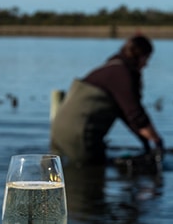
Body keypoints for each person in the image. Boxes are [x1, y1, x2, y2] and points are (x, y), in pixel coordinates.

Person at [50, 35, 164, 167]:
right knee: (90, 174)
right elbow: (136, 115)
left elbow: (127, 116)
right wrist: (157, 141)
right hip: (79, 134)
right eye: (147, 59)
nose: (146, 65)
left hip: (58, 131)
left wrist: (147, 144)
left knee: (59, 175)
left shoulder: (108, 69)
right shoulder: (121, 74)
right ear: (141, 56)